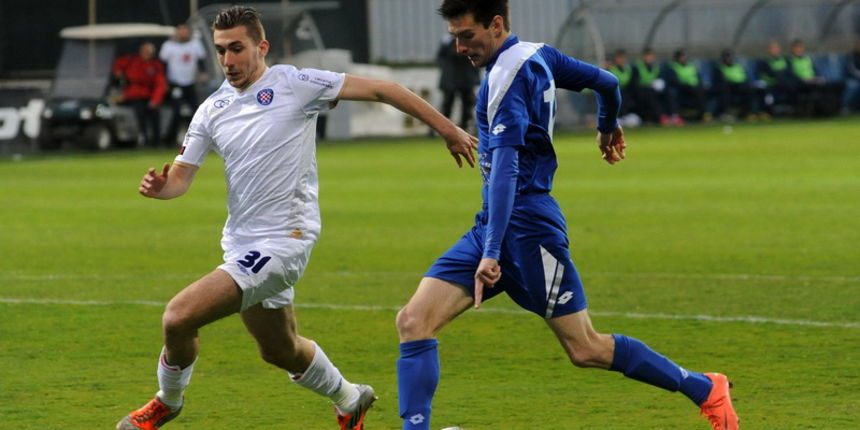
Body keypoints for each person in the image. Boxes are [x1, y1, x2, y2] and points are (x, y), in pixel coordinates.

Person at [116, 6, 477, 430]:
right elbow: (181, 177)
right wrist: (163, 188)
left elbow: (384, 89)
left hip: (285, 240)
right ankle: (349, 398)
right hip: (241, 243)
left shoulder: (295, 83)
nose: (228, 60)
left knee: (178, 316)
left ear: (261, 46)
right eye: (220, 51)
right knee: (280, 349)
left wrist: (448, 128)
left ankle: (167, 401)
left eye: (237, 48)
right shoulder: (211, 109)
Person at [395, 1, 739, 430]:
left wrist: (490, 251)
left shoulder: (504, 77)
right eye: (455, 37)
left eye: (467, 35)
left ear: (496, 24)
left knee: (586, 348)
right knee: (413, 321)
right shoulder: (541, 54)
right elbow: (607, 82)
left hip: (527, 230)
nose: (461, 46)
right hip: (497, 223)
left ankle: (705, 389)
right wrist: (606, 123)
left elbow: (507, 168)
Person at [159, 23, 207, 146]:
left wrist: (203, 73)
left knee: (196, 111)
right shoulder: (168, 46)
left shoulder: (195, 44)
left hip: (190, 83)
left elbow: (201, 61)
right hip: (175, 83)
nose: (183, 33)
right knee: (177, 111)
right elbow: (162, 65)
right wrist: (165, 82)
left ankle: (198, 138)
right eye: (180, 31)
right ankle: (169, 139)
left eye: (185, 31)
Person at [113, 42, 167, 146]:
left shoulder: (155, 65)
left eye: (149, 52)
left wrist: (155, 100)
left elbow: (160, 84)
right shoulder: (132, 61)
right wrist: (118, 72)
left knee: (155, 114)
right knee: (139, 113)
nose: (146, 54)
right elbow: (118, 65)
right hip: (133, 95)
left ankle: (157, 140)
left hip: (148, 95)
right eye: (145, 51)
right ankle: (143, 137)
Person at [437, 33, 481, 131]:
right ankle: (443, 127)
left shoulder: (470, 41)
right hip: (451, 78)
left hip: (466, 78)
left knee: (467, 104)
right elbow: (440, 58)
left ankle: (464, 127)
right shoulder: (446, 41)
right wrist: (446, 70)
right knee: (447, 103)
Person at [664, 49, 708, 124]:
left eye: (684, 57)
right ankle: (675, 116)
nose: (683, 59)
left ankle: (704, 114)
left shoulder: (692, 66)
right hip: (682, 88)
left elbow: (698, 78)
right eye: (681, 57)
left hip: (694, 88)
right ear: (677, 58)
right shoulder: (673, 67)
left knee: (702, 90)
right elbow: (674, 81)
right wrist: (687, 85)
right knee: (671, 92)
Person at [714, 49, 759, 120]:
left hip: (740, 85)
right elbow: (721, 80)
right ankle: (725, 113)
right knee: (724, 90)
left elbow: (744, 78)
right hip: (729, 86)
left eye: (730, 57)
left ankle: (749, 112)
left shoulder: (738, 67)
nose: (728, 59)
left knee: (749, 89)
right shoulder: (720, 68)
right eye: (726, 57)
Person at [631, 47, 670, 125]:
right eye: (647, 56)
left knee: (669, 92)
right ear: (643, 57)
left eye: (650, 56)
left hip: (653, 90)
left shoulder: (656, 67)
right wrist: (647, 85)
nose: (649, 58)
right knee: (650, 94)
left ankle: (672, 115)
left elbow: (659, 79)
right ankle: (660, 117)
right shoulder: (637, 67)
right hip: (642, 91)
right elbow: (634, 83)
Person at [757, 41, 792, 116]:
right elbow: (769, 74)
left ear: (779, 49)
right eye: (771, 48)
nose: (773, 50)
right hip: (771, 84)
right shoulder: (765, 62)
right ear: (768, 50)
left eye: (775, 48)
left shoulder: (785, 60)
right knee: (768, 94)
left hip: (784, 84)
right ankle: (768, 112)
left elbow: (789, 72)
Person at [842, 40, 860, 113]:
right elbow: (851, 70)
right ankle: (845, 107)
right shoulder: (851, 56)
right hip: (852, 78)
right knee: (852, 86)